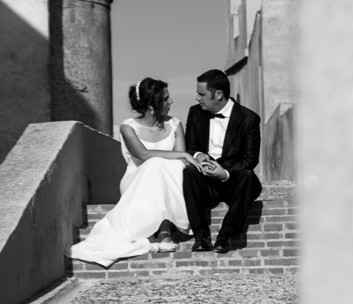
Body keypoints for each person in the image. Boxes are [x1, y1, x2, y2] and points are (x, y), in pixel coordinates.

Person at [69, 78, 199, 268]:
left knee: (168, 165)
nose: (170, 102)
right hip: (137, 180)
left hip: (169, 179)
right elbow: (142, 155)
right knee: (155, 163)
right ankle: (156, 230)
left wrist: (183, 157)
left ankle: (164, 230)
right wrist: (185, 154)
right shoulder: (128, 127)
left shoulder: (175, 124)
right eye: (165, 99)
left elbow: (179, 162)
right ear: (152, 105)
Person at [183, 69, 263, 253]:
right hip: (205, 181)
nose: (197, 98)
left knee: (248, 176)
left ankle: (226, 235)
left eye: (201, 94)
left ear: (218, 94)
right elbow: (190, 147)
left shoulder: (248, 119)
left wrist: (224, 173)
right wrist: (198, 156)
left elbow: (250, 159)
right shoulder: (195, 113)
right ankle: (201, 236)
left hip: (233, 182)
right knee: (189, 172)